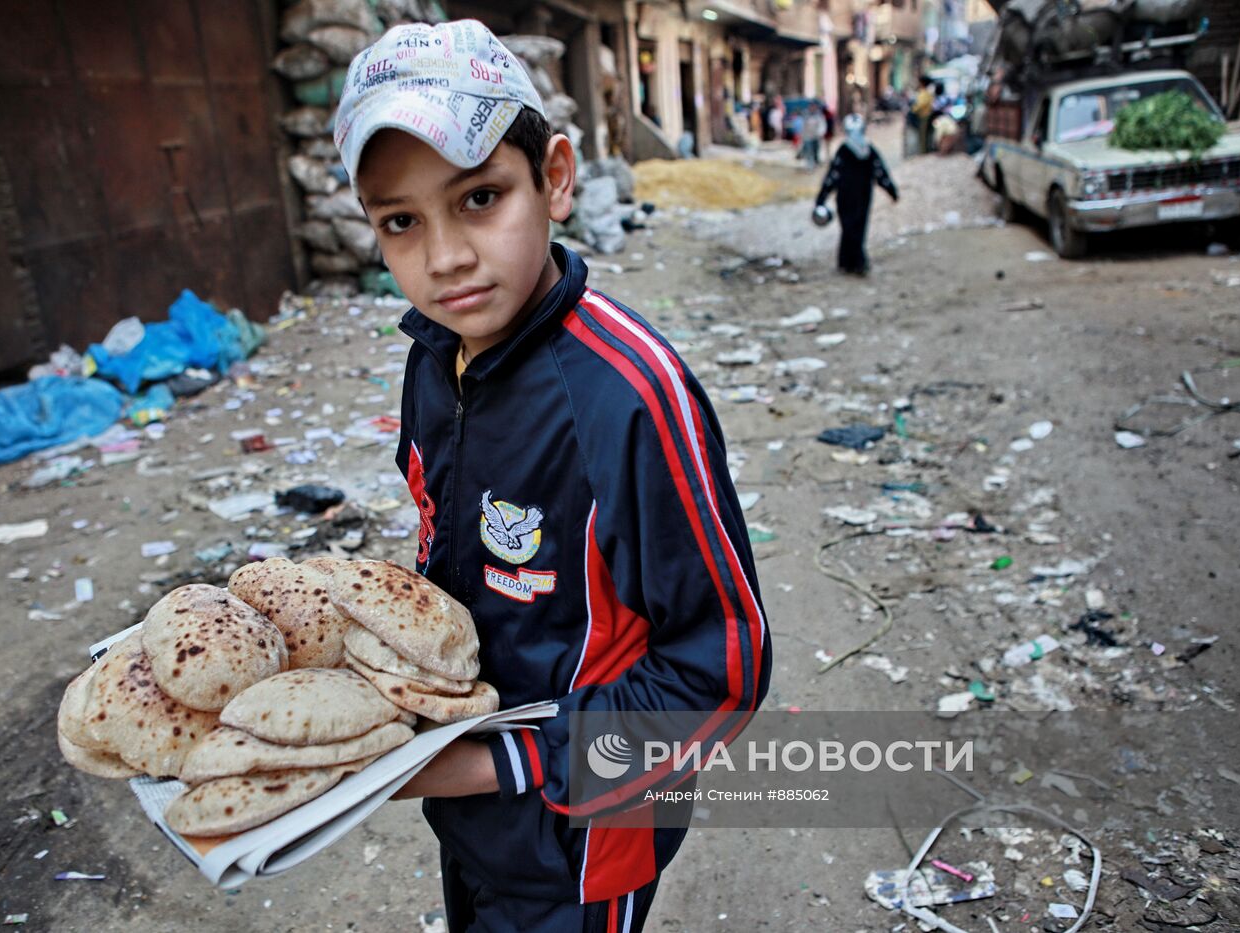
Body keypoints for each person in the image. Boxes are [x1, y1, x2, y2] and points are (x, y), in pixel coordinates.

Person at [332, 20, 771, 933]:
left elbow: (721, 671)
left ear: (557, 178)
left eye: (481, 198)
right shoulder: (433, 358)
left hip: (585, 837)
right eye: (401, 222)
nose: (445, 256)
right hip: (472, 816)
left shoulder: (631, 397)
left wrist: (497, 763)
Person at [815, 113, 899, 275]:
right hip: (862, 195)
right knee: (857, 227)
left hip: (847, 196)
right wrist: (891, 191)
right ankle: (854, 262)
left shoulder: (844, 151)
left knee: (849, 227)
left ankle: (850, 262)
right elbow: (880, 173)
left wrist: (822, 197)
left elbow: (832, 175)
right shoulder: (866, 150)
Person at [797, 101, 826, 169]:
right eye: (811, 106)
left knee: (816, 150)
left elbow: (822, 125)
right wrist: (801, 134)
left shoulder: (819, 115)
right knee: (809, 151)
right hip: (807, 137)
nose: (812, 108)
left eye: (814, 106)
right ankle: (810, 165)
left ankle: (816, 162)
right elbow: (801, 125)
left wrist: (821, 132)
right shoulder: (805, 114)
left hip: (816, 136)